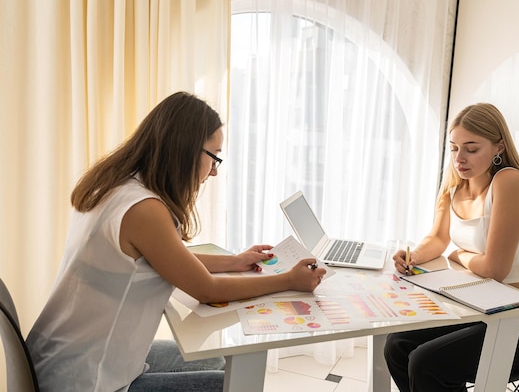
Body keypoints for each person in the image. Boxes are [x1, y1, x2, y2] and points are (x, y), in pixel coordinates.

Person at [26, 91, 327, 392]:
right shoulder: (144, 210)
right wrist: (288, 280)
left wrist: (235, 262)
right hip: (82, 380)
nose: (214, 171)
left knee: (216, 362)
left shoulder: (118, 185)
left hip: (61, 359)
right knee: (230, 384)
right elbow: (206, 290)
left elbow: (166, 258)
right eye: (214, 157)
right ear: (184, 149)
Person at [384, 103, 519, 392]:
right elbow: (438, 238)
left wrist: (459, 254)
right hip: (481, 309)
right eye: (454, 148)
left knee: (427, 363)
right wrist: (413, 255)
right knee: (397, 345)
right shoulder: (455, 185)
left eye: (471, 148)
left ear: (498, 147)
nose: (459, 158)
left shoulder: (508, 181)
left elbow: (495, 270)